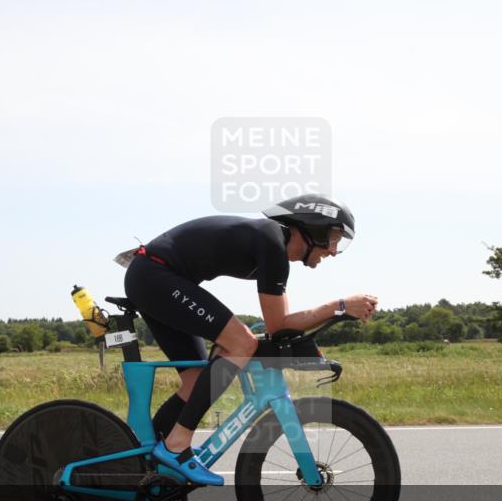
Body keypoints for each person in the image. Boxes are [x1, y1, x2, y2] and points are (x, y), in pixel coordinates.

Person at [123, 194, 377, 486]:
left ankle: (145, 464)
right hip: (155, 275)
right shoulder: (272, 243)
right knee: (241, 343)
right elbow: (278, 324)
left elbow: (278, 326)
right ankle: (176, 446)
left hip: (154, 277)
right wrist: (340, 306)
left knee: (196, 382)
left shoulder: (273, 246)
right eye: (332, 239)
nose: (333, 251)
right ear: (313, 229)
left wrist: (336, 311)